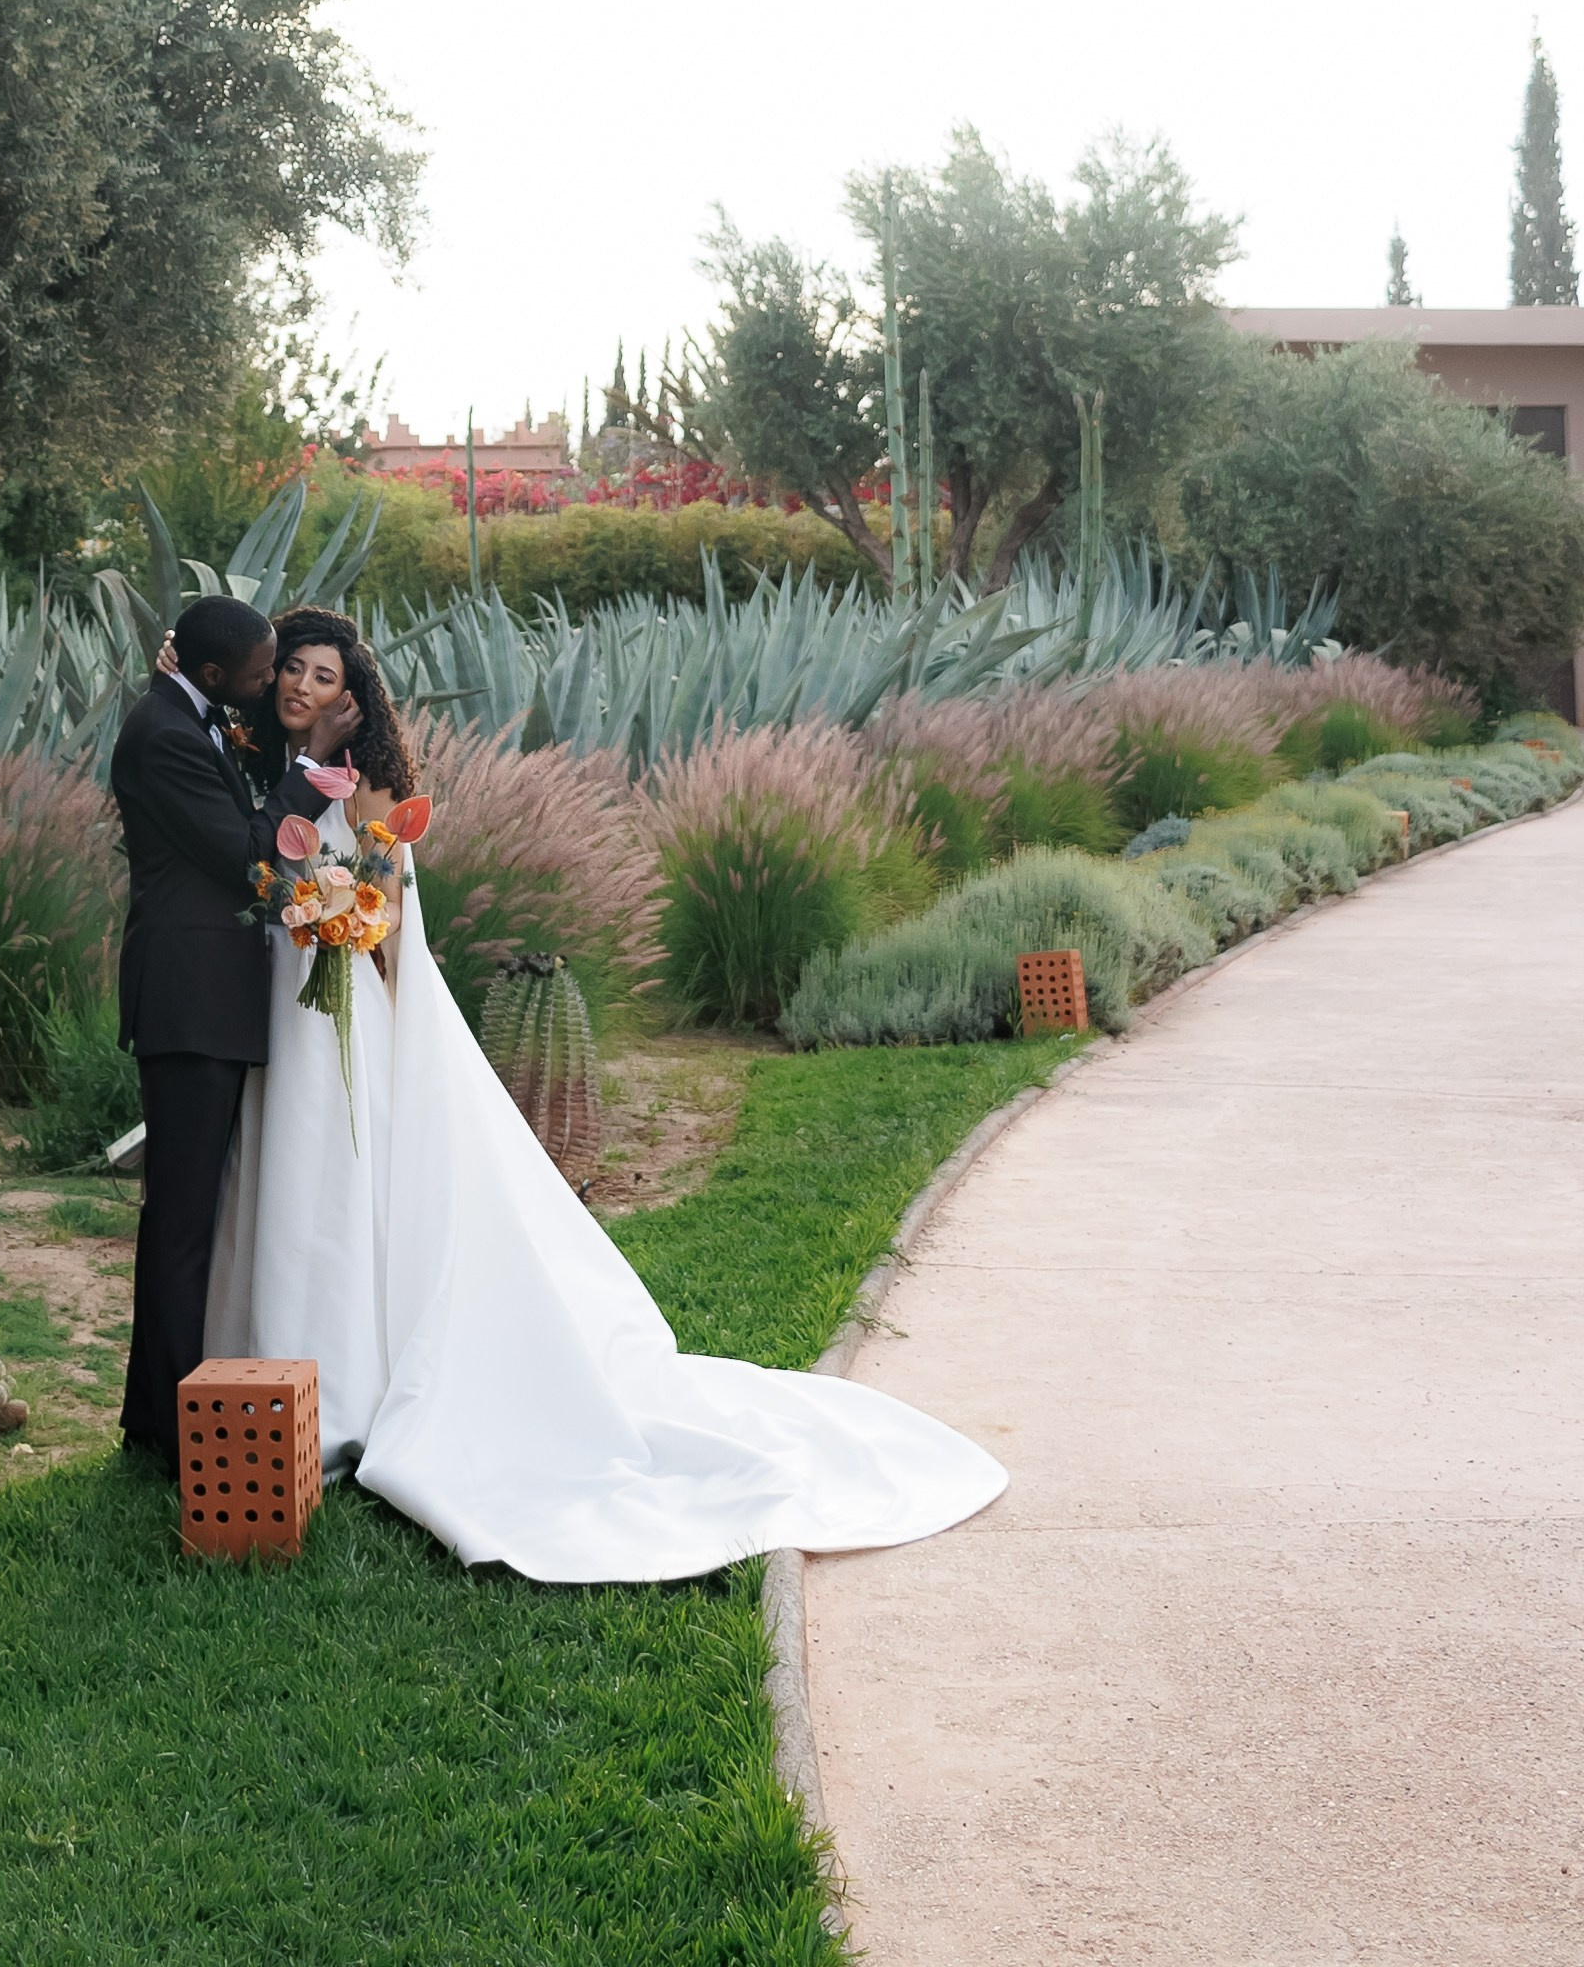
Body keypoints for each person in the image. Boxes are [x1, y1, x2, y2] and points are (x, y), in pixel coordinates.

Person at [202, 607, 1012, 1584]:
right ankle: (272, 1369)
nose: (302, 687)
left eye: (324, 675)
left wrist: (342, 936)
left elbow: (387, 911)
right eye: (291, 668)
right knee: (288, 1176)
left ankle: (353, 1389)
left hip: (347, 1008)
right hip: (278, 1011)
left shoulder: (370, 783)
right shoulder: (254, 763)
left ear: (353, 694)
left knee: (354, 1179)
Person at [109, 592, 359, 1462]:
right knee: (179, 1225)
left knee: (188, 1219)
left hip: (209, 1000)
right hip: (190, 1000)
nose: (271, 687)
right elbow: (250, 853)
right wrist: (312, 762)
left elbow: (252, 697)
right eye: (263, 672)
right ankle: (171, 1434)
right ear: (215, 676)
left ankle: (155, 1416)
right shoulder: (165, 736)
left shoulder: (194, 706)